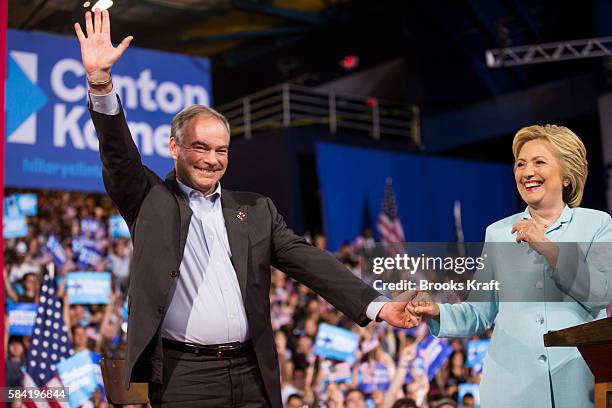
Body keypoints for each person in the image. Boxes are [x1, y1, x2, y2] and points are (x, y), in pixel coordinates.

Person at [73, 9, 419, 408]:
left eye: (221, 150)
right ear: (174, 148)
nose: (211, 159)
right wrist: (100, 83)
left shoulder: (256, 210)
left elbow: (311, 263)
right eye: (200, 147)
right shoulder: (149, 199)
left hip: (253, 371)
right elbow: (118, 156)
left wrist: (378, 306)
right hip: (185, 376)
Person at [412, 125, 612, 407]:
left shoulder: (597, 224)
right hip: (512, 389)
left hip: (581, 385)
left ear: (567, 175)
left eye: (539, 162)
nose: (526, 172)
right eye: (520, 164)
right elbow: (479, 312)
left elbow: (601, 293)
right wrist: (436, 312)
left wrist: (549, 249)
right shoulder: (497, 233)